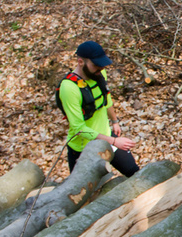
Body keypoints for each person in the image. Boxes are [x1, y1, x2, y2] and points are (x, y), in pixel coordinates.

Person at [58, 40, 139, 177]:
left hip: (105, 136)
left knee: (134, 173)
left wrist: (114, 121)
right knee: (83, 192)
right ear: (80, 62)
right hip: (83, 148)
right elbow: (79, 128)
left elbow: (106, 100)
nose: (100, 69)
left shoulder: (99, 74)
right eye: (96, 66)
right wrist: (114, 141)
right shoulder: (69, 88)